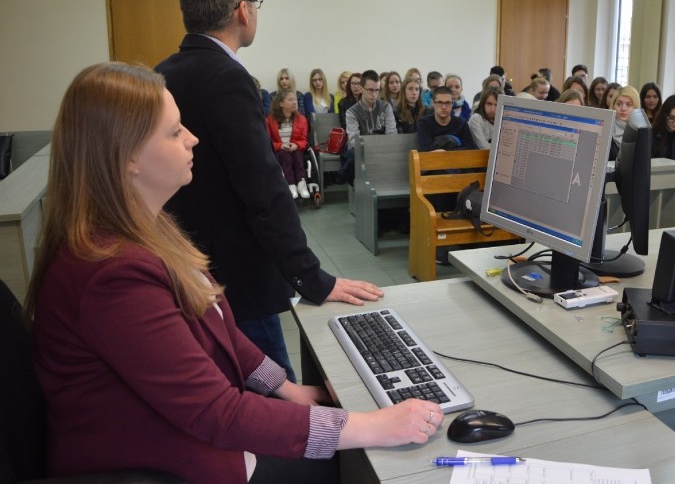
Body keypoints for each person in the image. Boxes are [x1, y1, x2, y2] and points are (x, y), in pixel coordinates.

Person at [24, 61, 444, 483]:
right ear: (127, 156)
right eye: (174, 132)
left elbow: (217, 325)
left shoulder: (145, 228)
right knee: (368, 464)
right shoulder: (111, 274)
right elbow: (217, 412)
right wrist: (375, 427)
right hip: (165, 463)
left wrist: (287, 389)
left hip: (186, 439)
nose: (192, 138)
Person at [155, 0, 382, 384]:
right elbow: (263, 190)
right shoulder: (229, 78)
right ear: (243, 10)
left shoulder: (163, 73)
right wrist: (311, 278)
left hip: (187, 266)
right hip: (236, 279)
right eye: (255, 1)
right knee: (275, 397)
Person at [336, 70, 398, 185]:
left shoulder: (385, 106)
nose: (374, 94)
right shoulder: (352, 112)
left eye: (377, 90)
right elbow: (355, 140)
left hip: (384, 150)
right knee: (354, 156)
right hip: (363, 152)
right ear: (361, 88)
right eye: (370, 90)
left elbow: (392, 134)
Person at [266, 90, 310, 199]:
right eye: (290, 100)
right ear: (281, 103)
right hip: (280, 150)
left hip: (296, 149)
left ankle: (301, 184)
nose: (294, 102)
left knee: (298, 157)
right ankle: (291, 185)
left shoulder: (302, 119)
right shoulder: (270, 120)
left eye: (295, 99)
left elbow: (304, 140)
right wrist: (280, 146)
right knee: (285, 157)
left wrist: (296, 145)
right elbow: (268, 141)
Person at [416, 85, 475, 152]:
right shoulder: (424, 123)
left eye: (447, 103)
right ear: (433, 103)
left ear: (452, 104)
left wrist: (445, 152)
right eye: (440, 102)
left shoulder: (462, 123)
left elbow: (469, 148)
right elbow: (426, 149)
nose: (444, 107)